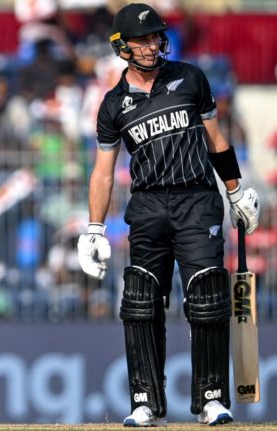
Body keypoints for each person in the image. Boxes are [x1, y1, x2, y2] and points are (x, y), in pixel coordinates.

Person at [76, 3, 260, 427]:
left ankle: (212, 398)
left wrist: (235, 192)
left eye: (156, 36)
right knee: (141, 300)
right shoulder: (112, 105)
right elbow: (103, 172)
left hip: (197, 199)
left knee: (208, 296)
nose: (152, 44)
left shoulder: (190, 77)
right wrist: (93, 229)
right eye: (141, 39)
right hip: (148, 206)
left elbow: (216, 139)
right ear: (121, 46)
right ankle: (144, 401)